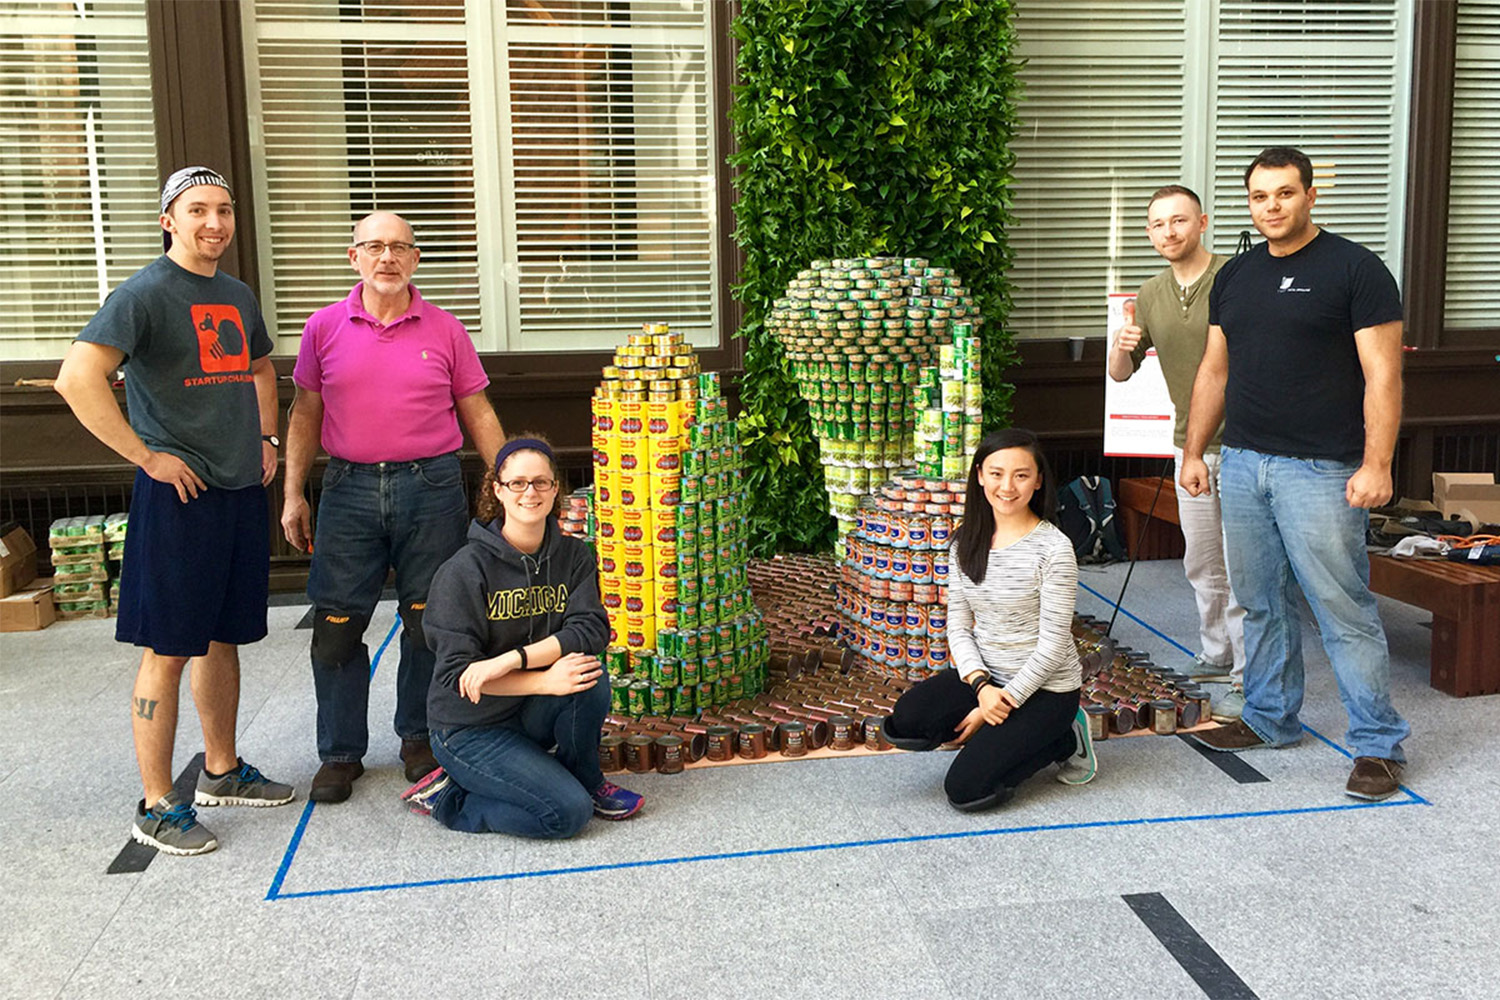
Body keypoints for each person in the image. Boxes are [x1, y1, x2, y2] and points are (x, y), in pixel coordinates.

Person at [55, 166, 294, 856]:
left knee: (222, 637)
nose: (214, 223)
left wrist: (267, 438)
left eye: (223, 210)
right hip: (178, 496)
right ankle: (157, 803)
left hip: (236, 491)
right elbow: (78, 378)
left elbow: (256, 367)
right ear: (169, 219)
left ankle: (221, 771)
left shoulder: (236, 293)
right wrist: (146, 455)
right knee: (169, 648)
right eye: (197, 210)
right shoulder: (144, 294)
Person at [1181, 147, 1410, 801]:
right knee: (1260, 603)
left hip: (1323, 470)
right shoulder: (1238, 276)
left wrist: (1378, 464)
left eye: (1284, 193)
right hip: (1246, 461)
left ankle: (1377, 745)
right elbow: (1214, 369)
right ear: (1247, 203)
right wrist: (1196, 451)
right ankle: (1270, 719)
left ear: (1310, 196)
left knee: (1343, 610)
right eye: (1259, 196)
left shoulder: (1356, 270)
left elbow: (1384, 375)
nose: (1272, 206)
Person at [282, 211, 505, 804]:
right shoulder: (323, 327)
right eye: (374, 247)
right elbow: (304, 412)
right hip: (349, 489)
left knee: (429, 622)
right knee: (336, 627)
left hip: (429, 489)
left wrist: (509, 480)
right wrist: (292, 491)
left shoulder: (446, 330)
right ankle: (339, 753)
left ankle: (420, 739)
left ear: (416, 259)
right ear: (353, 256)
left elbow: (477, 411)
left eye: (400, 248)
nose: (387, 257)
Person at [401, 437, 643, 836]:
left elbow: (591, 628)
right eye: (517, 483)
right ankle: (449, 798)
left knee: (587, 676)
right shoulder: (463, 571)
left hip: (529, 710)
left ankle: (587, 779)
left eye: (541, 482)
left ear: (554, 490)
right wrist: (543, 679)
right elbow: (457, 677)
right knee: (566, 814)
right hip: (469, 728)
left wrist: (513, 658)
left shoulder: (573, 556)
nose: (530, 492)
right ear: (497, 490)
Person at [880, 428, 1095, 810]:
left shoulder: (1054, 549)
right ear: (980, 476)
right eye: (996, 473)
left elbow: (1053, 647)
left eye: (1021, 475)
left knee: (966, 790)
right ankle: (1006, 736)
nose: (1007, 486)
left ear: (1038, 481)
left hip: (1047, 688)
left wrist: (995, 706)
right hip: (989, 676)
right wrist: (981, 688)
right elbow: (958, 627)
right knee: (905, 721)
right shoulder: (967, 541)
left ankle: (1064, 736)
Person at [1109, 184, 1247, 720]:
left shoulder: (1233, 279)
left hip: (1242, 445)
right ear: (1149, 232)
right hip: (1187, 445)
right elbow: (1122, 374)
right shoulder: (1149, 292)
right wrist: (1121, 352)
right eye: (1158, 224)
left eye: (1179, 221)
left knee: (1241, 570)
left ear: (1203, 223)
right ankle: (1216, 654)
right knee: (1202, 560)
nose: (1169, 232)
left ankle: (1246, 678)